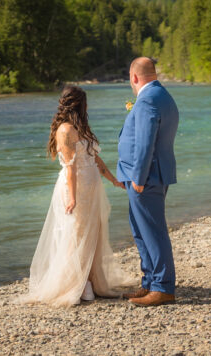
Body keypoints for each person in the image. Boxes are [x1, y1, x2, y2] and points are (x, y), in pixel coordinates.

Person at [18, 85, 134, 306]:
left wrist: (112, 179)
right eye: (86, 102)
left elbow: (94, 158)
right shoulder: (64, 130)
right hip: (75, 188)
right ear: (78, 104)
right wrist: (72, 197)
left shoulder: (81, 127)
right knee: (76, 234)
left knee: (93, 233)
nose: (88, 106)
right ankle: (75, 284)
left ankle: (90, 279)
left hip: (92, 186)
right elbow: (70, 168)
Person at [117, 57, 179, 307]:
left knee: (152, 231)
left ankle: (163, 287)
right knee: (141, 230)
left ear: (134, 77)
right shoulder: (162, 95)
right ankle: (150, 281)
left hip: (145, 176)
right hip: (151, 174)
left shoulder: (147, 99)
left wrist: (139, 179)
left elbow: (145, 142)